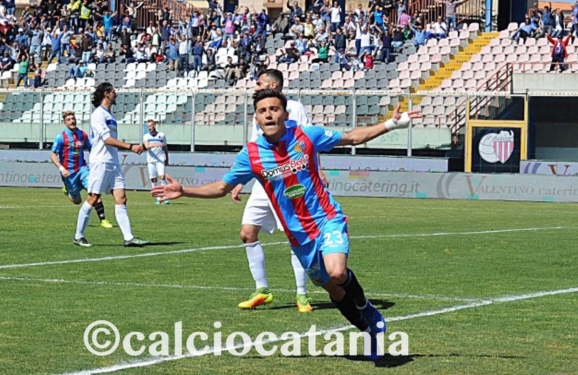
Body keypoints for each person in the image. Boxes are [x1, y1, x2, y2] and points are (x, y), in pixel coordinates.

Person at [151, 89, 421, 360]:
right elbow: (222, 187)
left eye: (274, 109)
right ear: (256, 119)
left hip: (326, 219)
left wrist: (393, 124)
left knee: (337, 272)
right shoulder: (252, 154)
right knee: (332, 288)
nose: (268, 114)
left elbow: (352, 137)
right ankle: (369, 332)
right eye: (262, 111)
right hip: (299, 237)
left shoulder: (306, 135)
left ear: (285, 114)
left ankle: (366, 307)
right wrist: (184, 190)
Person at [230, 69, 326, 313]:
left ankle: (301, 294)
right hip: (265, 182)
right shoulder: (259, 112)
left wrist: (318, 169)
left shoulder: (295, 107)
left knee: (295, 237)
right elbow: (253, 148)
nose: (255, 86)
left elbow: (309, 141)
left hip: (289, 181)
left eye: (259, 82)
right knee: (247, 232)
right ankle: (262, 290)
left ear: (273, 84)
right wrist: (241, 180)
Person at [73, 82, 149, 248]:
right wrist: (130, 147)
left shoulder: (110, 115)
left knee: (121, 198)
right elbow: (107, 140)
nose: (116, 94)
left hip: (113, 163)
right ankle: (78, 236)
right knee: (93, 198)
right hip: (100, 162)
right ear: (106, 94)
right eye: (114, 91)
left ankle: (128, 237)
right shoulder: (98, 115)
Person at [51, 111, 114, 229]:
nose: (72, 121)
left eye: (73, 118)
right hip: (69, 173)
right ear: (64, 122)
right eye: (68, 119)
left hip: (83, 169)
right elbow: (53, 155)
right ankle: (68, 190)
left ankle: (103, 219)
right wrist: (61, 168)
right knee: (77, 201)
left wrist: (95, 163)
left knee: (94, 191)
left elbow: (92, 149)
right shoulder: (61, 137)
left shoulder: (83, 135)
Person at [142, 119, 170, 205]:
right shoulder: (146, 136)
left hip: (160, 159)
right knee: (153, 179)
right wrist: (155, 145)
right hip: (151, 160)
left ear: (154, 125)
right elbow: (146, 146)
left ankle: (165, 197)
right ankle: (158, 198)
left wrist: (167, 158)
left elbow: (165, 147)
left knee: (162, 177)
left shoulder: (161, 135)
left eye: (150, 126)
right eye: (148, 126)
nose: (149, 128)